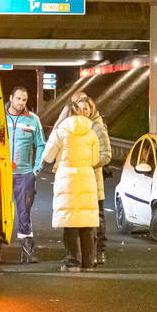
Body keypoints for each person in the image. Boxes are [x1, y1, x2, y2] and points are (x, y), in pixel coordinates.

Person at [42, 97, 101, 271]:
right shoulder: (91, 132)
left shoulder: (61, 130)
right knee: (86, 223)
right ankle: (88, 263)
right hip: (86, 178)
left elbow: (48, 156)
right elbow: (95, 159)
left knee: (71, 222)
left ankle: (73, 261)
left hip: (67, 180)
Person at [53, 92, 112, 264]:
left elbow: (106, 154)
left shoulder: (96, 127)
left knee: (95, 218)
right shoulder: (70, 126)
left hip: (92, 180)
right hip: (75, 180)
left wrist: (87, 164)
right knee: (74, 218)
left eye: (86, 108)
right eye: (79, 108)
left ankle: (97, 252)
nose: (83, 111)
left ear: (91, 109)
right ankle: (77, 255)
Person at [5, 86, 45, 263]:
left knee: (24, 213)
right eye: (18, 98)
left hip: (24, 174)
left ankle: (27, 250)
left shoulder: (33, 120)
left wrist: (35, 170)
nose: (21, 102)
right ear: (11, 98)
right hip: (2, 173)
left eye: (24, 100)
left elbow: (42, 145)